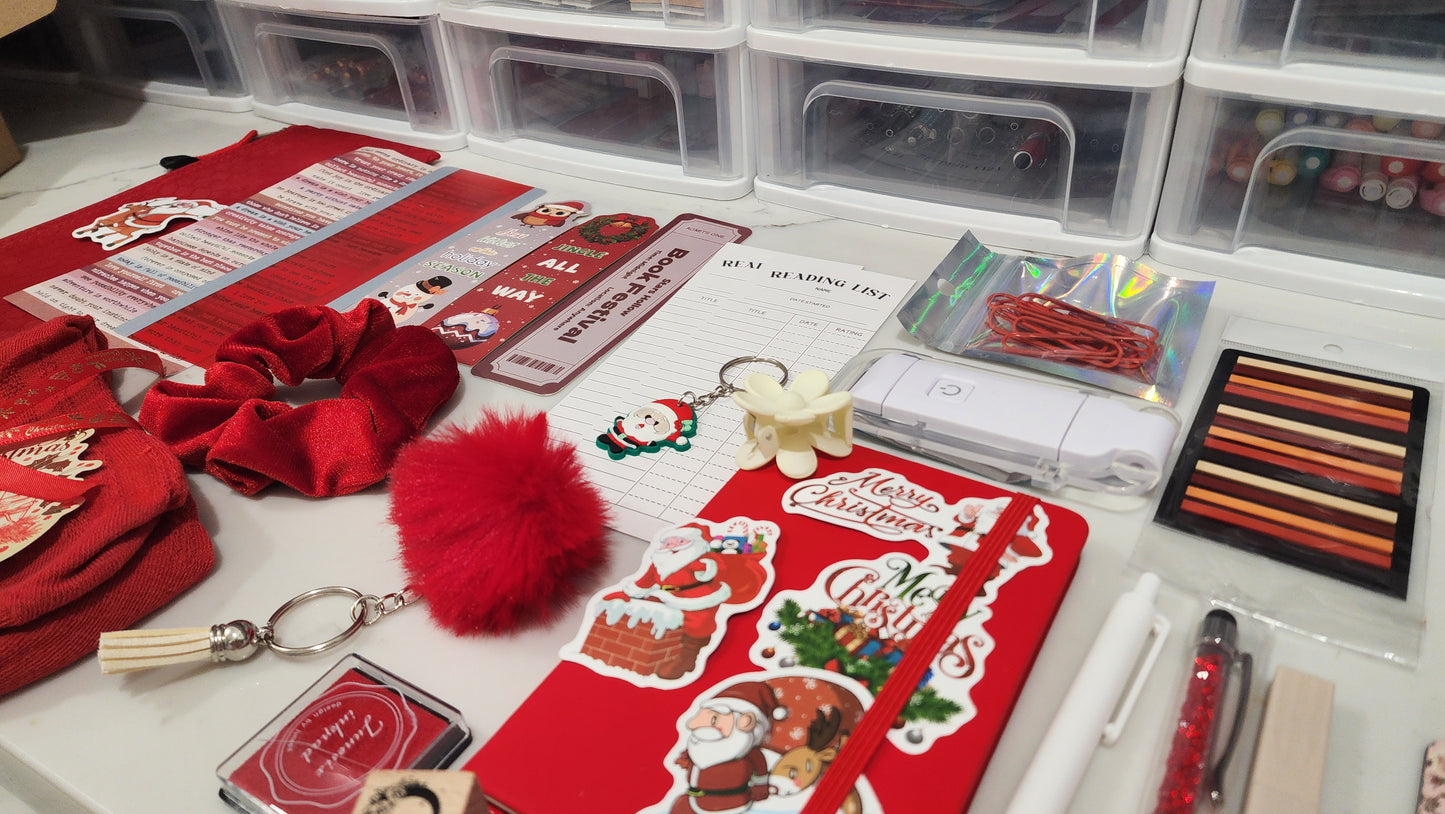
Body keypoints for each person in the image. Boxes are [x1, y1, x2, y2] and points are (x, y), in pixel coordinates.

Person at [669, 681, 783, 814]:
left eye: (713, 720)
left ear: (745, 722)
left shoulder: (747, 753)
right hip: (694, 801)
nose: (692, 725)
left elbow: (760, 768)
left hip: (730, 804)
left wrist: (760, 787)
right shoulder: (700, 746)